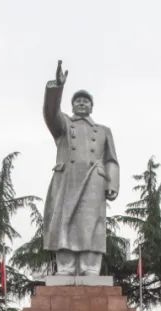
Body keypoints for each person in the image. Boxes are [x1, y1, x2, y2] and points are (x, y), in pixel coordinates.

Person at [42, 60, 119, 276]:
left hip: (94, 179)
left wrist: (112, 183)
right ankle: (65, 266)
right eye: (78, 101)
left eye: (86, 101)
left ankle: (90, 266)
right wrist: (57, 87)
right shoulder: (64, 125)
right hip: (67, 179)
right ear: (72, 106)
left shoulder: (103, 130)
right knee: (64, 221)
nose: (82, 104)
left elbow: (111, 159)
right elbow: (50, 113)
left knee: (91, 223)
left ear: (92, 106)